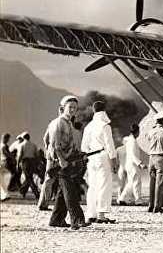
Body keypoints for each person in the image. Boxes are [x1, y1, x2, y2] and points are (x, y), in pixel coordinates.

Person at [47, 95, 89, 230]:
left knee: (62, 192)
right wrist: (60, 159)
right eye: (70, 107)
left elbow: (46, 139)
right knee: (70, 191)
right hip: (59, 163)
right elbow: (55, 144)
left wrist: (78, 154)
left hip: (64, 161)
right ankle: (77, 220)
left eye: (75, 108)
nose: (72, 110)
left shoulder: (67, 123)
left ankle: (56, 220)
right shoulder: (59, 123)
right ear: (62, 108)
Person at [81, 101, 118, 224]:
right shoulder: (105, 125)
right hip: (103, 156)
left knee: (93, 186)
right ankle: (101, 215)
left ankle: (91, 214)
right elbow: (109, 145)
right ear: (104, 110)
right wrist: (114, 161)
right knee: (104, 185)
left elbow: (84, 147)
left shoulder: (88, 127)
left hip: (91, 157)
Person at [118, 124, 147, 206]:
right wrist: (140, 163)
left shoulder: (129, 140)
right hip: (133, 164)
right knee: (136, 182)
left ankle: (122, 198)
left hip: (129, 164)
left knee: (131, 182)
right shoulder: (133, 141)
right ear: (137, 131)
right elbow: (133, 154)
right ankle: (138, 200)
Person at [16, 132, 40, 199]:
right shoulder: (34, 145)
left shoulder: (22, 145)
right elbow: (37, 155)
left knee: (29, 178)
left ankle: (36, 193)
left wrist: (18, 163)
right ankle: (22, 191)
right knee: (29, 177)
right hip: (32, 161)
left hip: (25, 162)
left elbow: (20, 155)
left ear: (23, 138)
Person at [1, 133, 13, 201]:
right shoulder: (5, 146)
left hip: (2, 162)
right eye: (8, 138)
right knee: (8, 176)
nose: (8, 140)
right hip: (6, 161)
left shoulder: (0, 145)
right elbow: (7, 154)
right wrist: (13, 158)